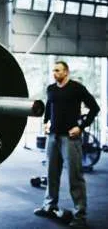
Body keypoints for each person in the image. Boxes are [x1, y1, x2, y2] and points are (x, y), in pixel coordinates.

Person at [34, 61, 100, 228]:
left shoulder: (76, 88)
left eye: (57, 70)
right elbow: (49, 108)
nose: (54, 73)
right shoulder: (51, 89)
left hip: (70, 139)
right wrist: (46, 123)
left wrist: (81, 127)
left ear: (66, 72)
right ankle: (49, 206)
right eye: (53, 70)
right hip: (53, 137)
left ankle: (80, 216)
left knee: (75, 178)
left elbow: (94, 108)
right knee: (51, 174)